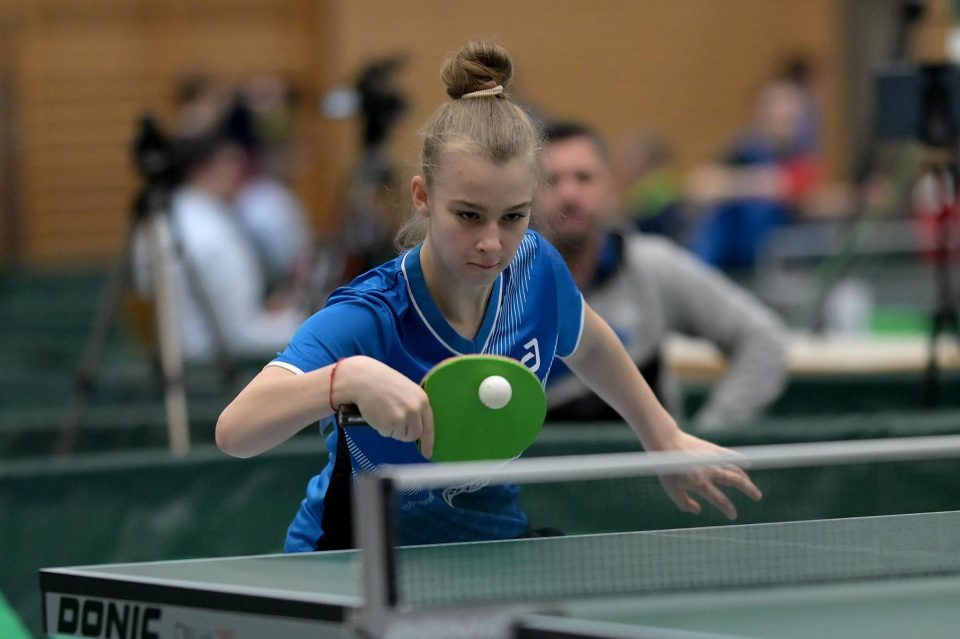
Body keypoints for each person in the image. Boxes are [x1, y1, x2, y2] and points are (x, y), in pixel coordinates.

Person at [216, 41, 761, 552]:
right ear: (424, 197)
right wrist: (345, 380)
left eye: (514, 217)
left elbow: (590, 344)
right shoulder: (374, 314)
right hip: (358, 563)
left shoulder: (535, 270)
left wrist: (662, 437)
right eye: (468, 215)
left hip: (492, 549)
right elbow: (235, 432)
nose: (492, 243)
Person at [536, 121, 788, 432]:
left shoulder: (651, 266)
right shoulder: (503, 281)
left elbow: (763, 339)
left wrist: (709, 439)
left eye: (584, 178)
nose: (569, 193)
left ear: (609, 187)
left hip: (646, 477)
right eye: (552, 181)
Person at [130, 119, 305, 363]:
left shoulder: (161, 218)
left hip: (179, 349)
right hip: (214, 358)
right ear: (201, 170)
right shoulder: (212, 230)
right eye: (230, 163)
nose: (238, 172)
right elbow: (239, 333)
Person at [686, 78, 822, 272]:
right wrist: (758, 184)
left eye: (794, 118)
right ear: (762, 116)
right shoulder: (741, 151)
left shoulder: (800, 158)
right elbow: (700, 185)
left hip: (775, 262)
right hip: (725, 261)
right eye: (782, 117)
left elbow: (801, 191)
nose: (789, 125)